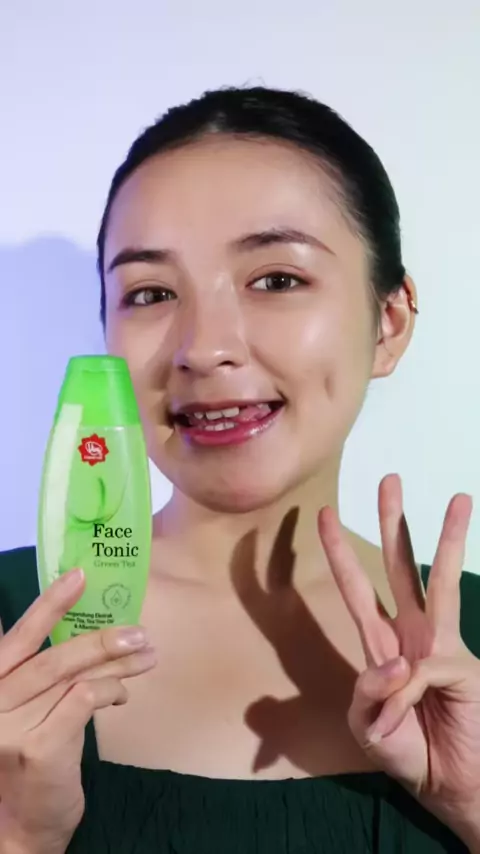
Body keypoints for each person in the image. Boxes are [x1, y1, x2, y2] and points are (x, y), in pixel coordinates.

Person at [0, 86, 479, 854]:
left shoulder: (468, 651)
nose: (205, 347)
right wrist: (19, 835)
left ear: (389, 322)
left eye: (276, 280)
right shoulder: (12, 629)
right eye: (151, 293)